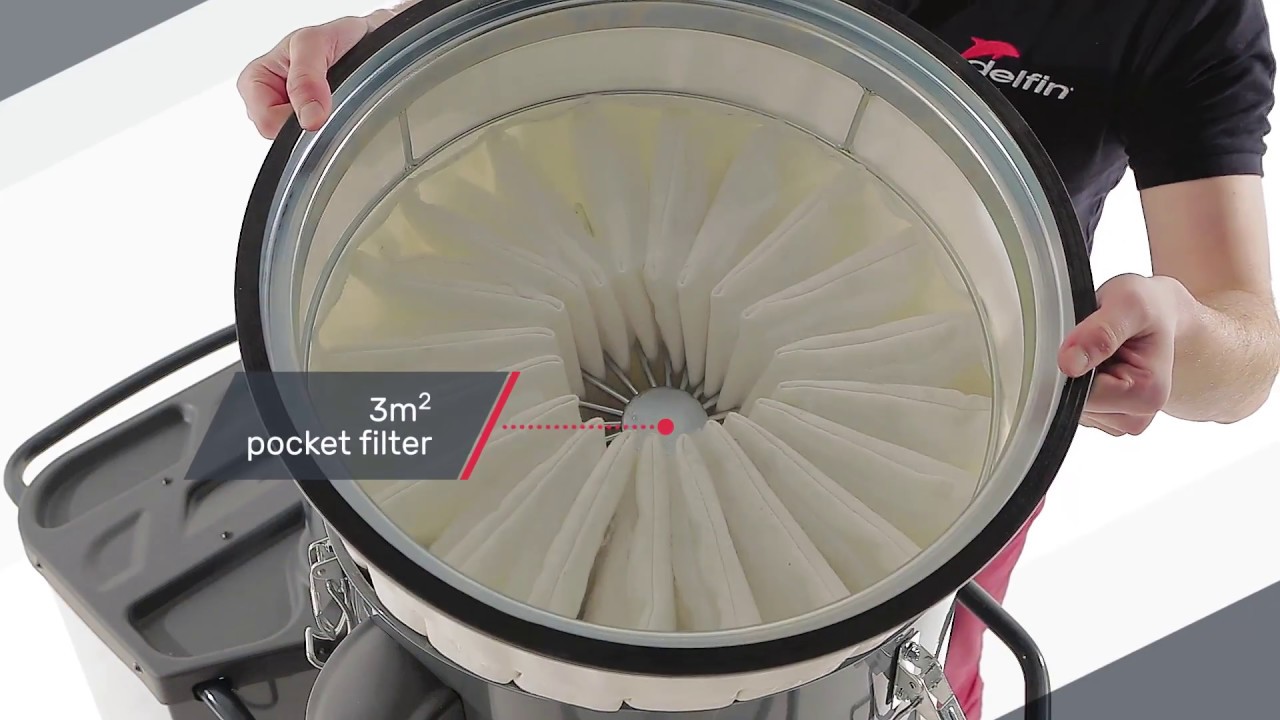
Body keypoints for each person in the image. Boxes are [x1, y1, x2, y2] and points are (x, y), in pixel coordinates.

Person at [238, 1, 1280, 717]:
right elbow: (539, 27)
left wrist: (1185, 340)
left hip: (912, 436)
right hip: (570, 263)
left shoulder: (1180, 14)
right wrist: (386, 55)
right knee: (342, 475)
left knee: (897, 676)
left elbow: (1248, 350)